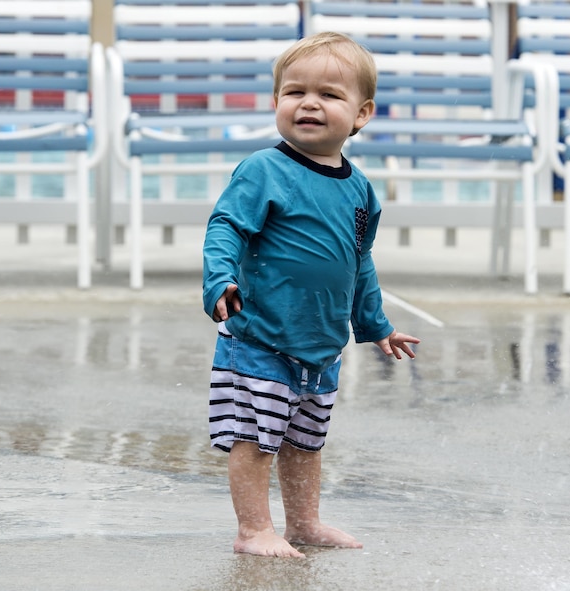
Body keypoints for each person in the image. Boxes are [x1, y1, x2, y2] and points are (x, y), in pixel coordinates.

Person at [202, 31, 420, 558]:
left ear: (362, 113)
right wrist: (219, 279)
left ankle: (304, 523)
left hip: (321, 344)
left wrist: (375, 326)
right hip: (261, 338)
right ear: (276, 102)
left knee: (305, 441)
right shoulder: (264, 169)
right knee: (255, 440)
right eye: (295, 91)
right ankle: (253, 530)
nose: (310, 103)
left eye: (329, 94)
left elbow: (358, 261)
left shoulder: (360, 188)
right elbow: (226, 226)